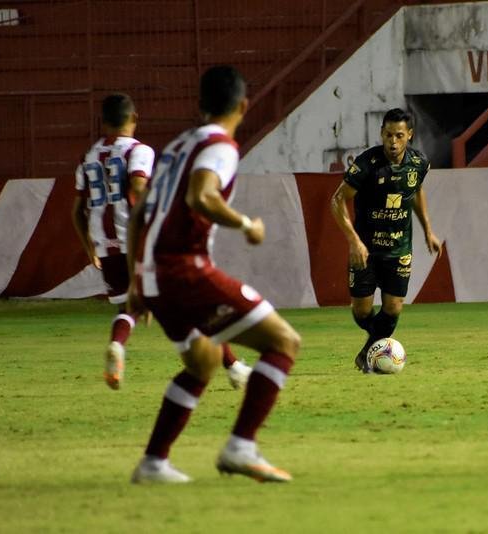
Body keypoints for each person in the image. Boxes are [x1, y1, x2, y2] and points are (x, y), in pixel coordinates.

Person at [127, 65, 301, 484]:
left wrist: (137, 278)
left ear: (200, 104)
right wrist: (246, 225)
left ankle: (153, 463)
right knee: (283, 342)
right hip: (183, 269)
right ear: (244, 105)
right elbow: (201, 196)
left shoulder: (176, 146)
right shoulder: (221, 147)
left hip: (154, 273)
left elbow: (139, 212)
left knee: (203, 363)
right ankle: (241, 447)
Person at [72, 93, 253, 391]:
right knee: (195, 303)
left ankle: (117, 345)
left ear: (103, 122)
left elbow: (77, 211)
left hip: (107, 246)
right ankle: (233, 368)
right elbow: (140, 187)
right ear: (134, 119)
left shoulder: (88, 157)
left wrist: (89, 246)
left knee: (128, 309)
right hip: (141, 241)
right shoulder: (139, 151)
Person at [330, 108, 442, 373]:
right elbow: (337, 200)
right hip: (366, 249)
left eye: (399, 136)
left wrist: (428, 229)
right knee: (361, 311)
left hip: (398, 247)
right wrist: (354, 241)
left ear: (410, 136)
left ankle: (371, 352)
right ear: (381, 133)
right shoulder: (367, 164)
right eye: (389, 135)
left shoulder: (419, 163)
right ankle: (379, 347)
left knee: (393, 307)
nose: (393, 141)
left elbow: (415, 192)